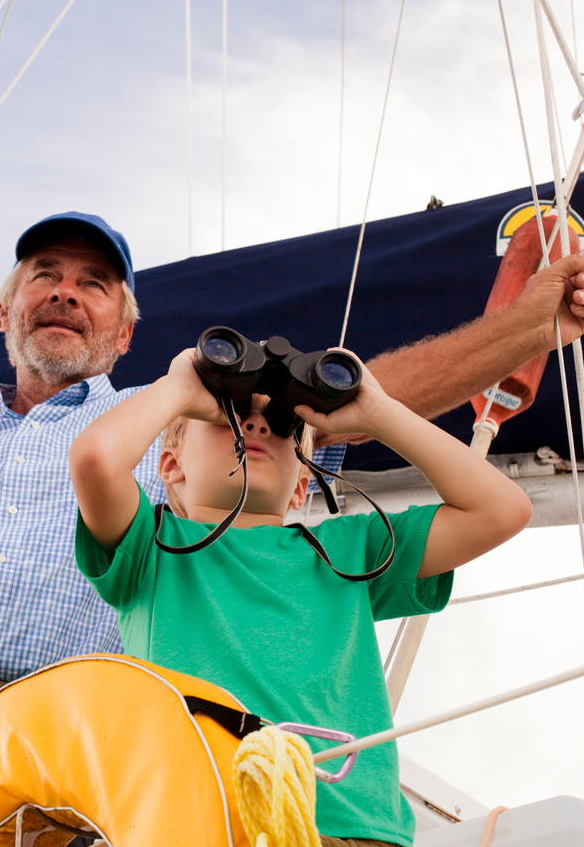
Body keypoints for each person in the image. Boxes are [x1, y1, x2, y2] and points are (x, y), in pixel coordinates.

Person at [0, 211, 584, 847]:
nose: (66, 292)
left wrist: (525, 332)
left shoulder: (160, 426)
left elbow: (343, 407)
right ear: (5, 309)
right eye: (45, 275)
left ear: (125, 335)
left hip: (70, 745)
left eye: (95, 283)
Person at [68, 345, 533, 847]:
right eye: (230, 415)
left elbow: (502, 510)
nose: (258, 425)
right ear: (170, 465)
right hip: (201, 824)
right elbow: (95, 459)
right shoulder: (150, 547)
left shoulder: (350, 550)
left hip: (354, 830)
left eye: (284, 424)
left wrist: (378, 413)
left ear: (300, 488)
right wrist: (181, 388)